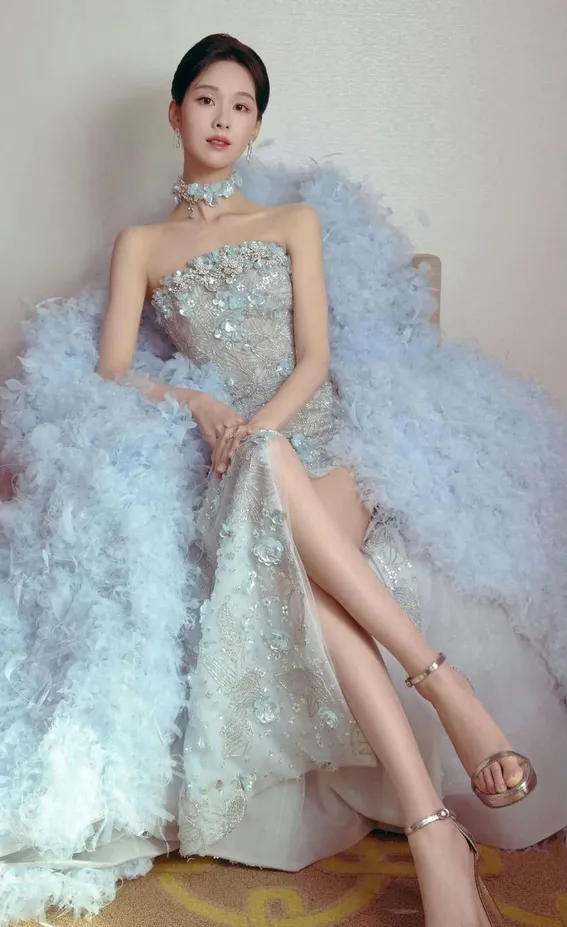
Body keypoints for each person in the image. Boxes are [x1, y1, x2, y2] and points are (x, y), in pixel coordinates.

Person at [0, 31, 565, 927]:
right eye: (206, 100)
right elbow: (111, 371)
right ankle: (438, 787)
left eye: (242, 106)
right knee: (298, 554)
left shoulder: (291, 222)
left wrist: (260, 428)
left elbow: (313, 360)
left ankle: (437, 769)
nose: (223, 118)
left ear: (256, 126)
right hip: (241, 457)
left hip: (321, 443)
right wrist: (195, 400)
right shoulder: (140, 243)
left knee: (279, 490)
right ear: (175, 112)